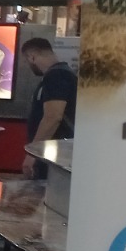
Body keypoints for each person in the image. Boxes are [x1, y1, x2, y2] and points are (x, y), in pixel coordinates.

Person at [20, 38, 77, 179]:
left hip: (53, 153)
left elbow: (53, 117)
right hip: (53, 151)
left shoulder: (57, 76)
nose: (28, 65)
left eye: (27, 61)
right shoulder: (59, 75)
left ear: (32, 56)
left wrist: (33, 154)